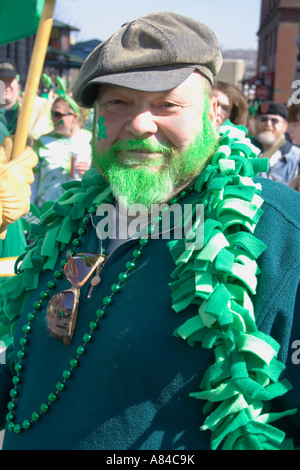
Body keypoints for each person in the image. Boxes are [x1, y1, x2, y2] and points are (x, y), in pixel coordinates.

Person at [0, 12, 299, 452]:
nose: (140, 124)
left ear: (213, 115)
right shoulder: (70, 219)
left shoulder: (277, 227)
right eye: (116, 104)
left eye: (166, 104)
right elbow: (31, 364)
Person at [31, 96, 92, 209]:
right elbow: (32, 180)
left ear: (75, 116)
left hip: (77, 211)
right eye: (52, 114)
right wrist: (29, 210)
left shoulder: (91, 140)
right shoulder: (43, 142)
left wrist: (91, 173)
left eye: (58, 114)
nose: (53, 118)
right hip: (45, 212)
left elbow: (101, 181)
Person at [0, 59, 52, 144]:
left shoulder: (32, 107)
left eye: (9, 81)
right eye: (1, 80)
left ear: (17, 83)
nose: (6, 86)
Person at [251, 101, 300, 185]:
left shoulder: (296, 157)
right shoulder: (244, 150)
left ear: (285, 126)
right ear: (256, 124)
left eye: (274, 120)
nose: (268, 124)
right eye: (263, 119)